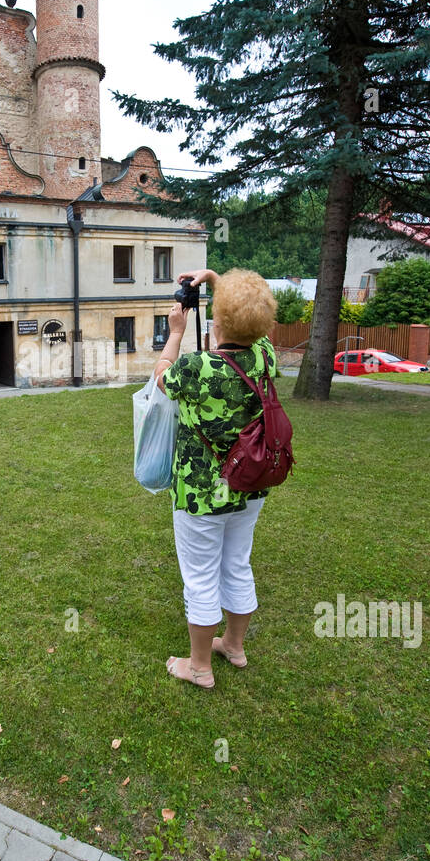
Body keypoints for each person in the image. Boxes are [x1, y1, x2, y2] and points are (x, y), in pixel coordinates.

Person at [154, 267, 278, 689]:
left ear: (218, 322)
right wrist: (216, 279)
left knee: (201, 576)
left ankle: (200, 666)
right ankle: (235, 646)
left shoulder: (196, 367)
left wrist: (175, 332)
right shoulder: (265, 357)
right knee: (237, 565)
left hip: (200, 494)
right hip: (249, 485)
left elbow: (160, 379)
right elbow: (249, 318)